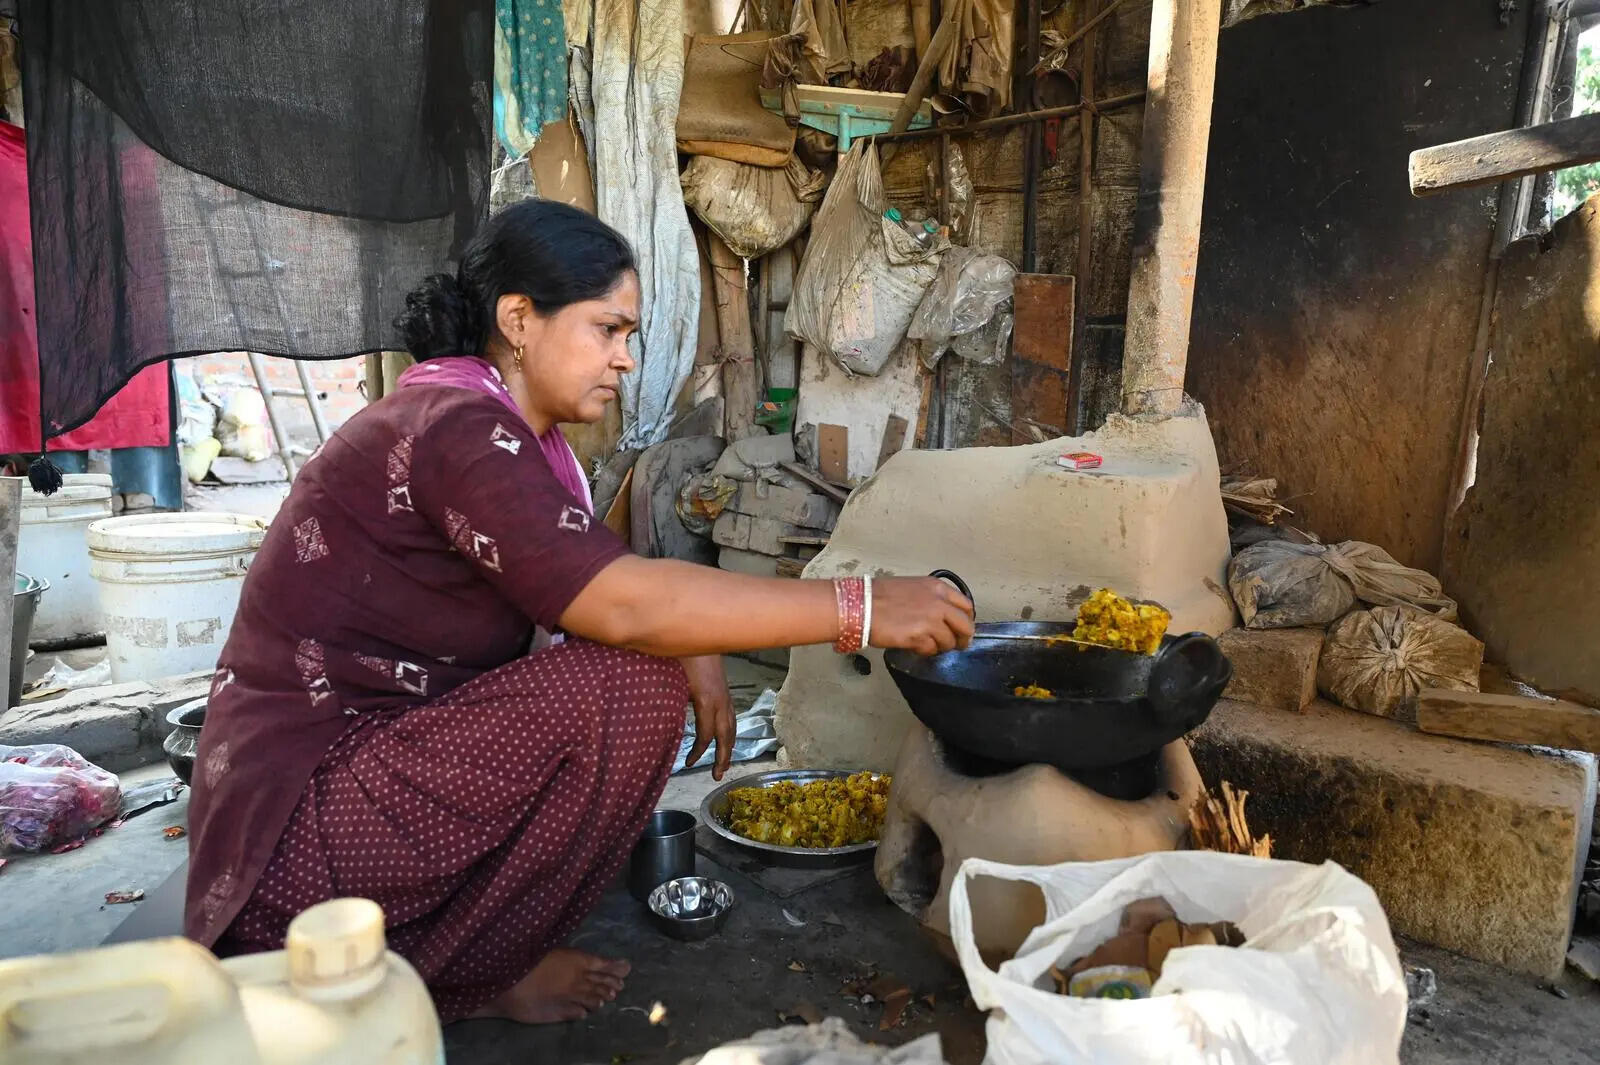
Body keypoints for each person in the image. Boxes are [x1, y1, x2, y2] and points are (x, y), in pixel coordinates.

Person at [184, 200, 974, 1026]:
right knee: (628, 687)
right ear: (519, 319)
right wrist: (864, 605)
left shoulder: (514, 440)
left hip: (359, 790)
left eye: (628, 336)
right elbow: (625, 604)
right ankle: (465, 979)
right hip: (291, 854)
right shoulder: (458, 430)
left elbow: (606, 579)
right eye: (607, 329)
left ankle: (453, 958)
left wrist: (694, 640)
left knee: (645, 660)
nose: (625, 360)